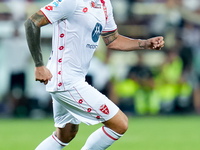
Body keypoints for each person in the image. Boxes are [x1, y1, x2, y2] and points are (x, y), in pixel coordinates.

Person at [24, 0, 164, 149]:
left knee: (65, 134)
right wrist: (39, 65)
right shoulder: (71, 2)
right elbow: (32, 23)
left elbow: (113, 40)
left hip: (73, 78)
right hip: (65, 79)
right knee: (119, 124)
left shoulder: (104, 4)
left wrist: (144, 43)